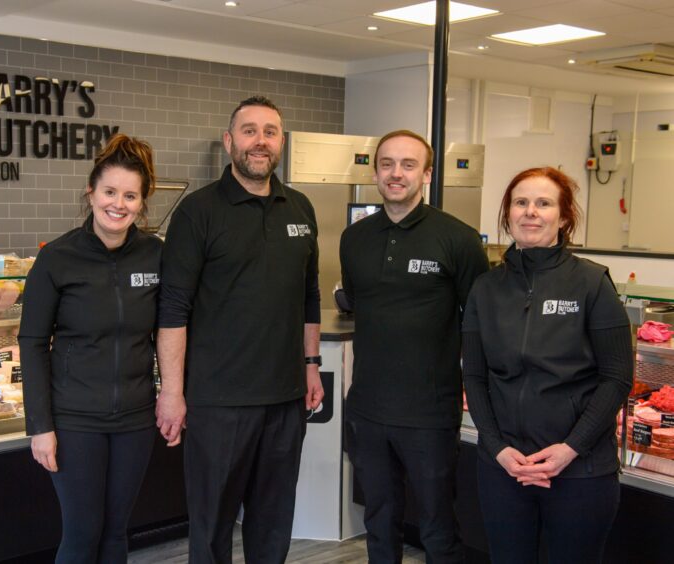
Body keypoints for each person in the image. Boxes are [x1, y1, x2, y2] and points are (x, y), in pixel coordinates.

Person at [156, 95, 324, 564]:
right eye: (249, 131)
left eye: (270, 132)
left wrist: (311, 365)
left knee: (273, 525)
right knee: (210, 528)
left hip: (285, 398)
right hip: (217, 401)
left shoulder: (301, 208)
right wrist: (172, 391)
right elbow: (173, 307)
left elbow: (308, 295)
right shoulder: (198, 212)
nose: (260, 141)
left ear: (281, 143)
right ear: (230, 141)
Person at [461, 167, 632, 564]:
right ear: (508, 215)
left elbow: (617, 376)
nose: (530, 212)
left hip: (580, 471)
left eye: (544, 203)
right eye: (520, 203)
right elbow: (475, 375)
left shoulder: (591, 283)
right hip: (504, 468)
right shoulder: (486, 288)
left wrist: (571, 448)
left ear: (564, 216)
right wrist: (497, 447)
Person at [339, 130, 489, 563]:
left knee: (437, 528)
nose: (396, 173)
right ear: (375, 171)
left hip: (429, 412)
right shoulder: (355, 239)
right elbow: (359, 304)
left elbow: (477, 325)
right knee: (379, 524)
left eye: (408, 164)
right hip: (368, 408)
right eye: (387, 164)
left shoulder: (457, 239)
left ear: (426, 173)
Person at [19, 134, 161, 563]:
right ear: (91, 193)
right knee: (83, 533)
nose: (119, 204)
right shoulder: (58, 258)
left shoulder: (155, 255)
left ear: (142, 202)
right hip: (75, 420)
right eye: (110, 192)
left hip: (136, 419)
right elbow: (31, 342)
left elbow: (171, 329)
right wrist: (40, 426)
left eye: (130, 195)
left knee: (116, 533)